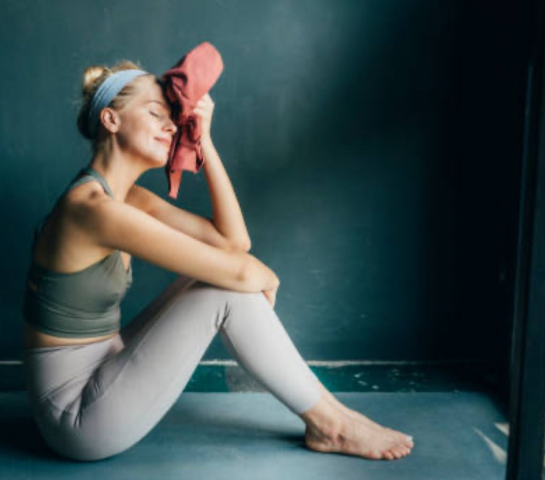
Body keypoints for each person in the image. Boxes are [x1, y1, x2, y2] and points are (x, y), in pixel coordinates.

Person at [21, 60, 415, 462]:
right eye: (156, 114)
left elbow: (233, 242)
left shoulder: (128, 199)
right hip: (75, 417)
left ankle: (335, 416)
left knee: (215, 280)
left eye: (174, 119)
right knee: (227, 290)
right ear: (111, 120)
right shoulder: (92, 209)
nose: (171, 127)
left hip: (108, 364)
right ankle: (332, 426)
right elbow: (240, 270)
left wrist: (204, 140)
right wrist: (265, 277)